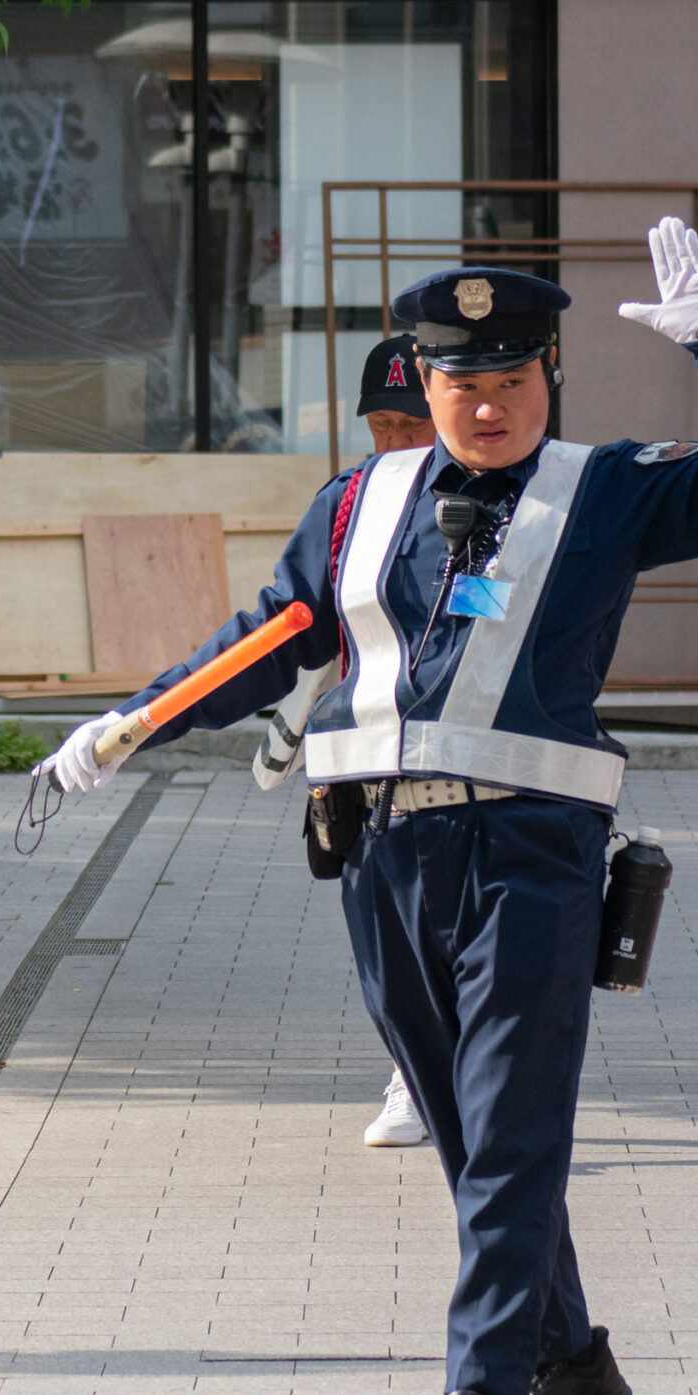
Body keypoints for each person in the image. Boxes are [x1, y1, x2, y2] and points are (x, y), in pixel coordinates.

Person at [39, 220, 698, 1395]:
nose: (485, 405)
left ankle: (477, 1392)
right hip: (383, 853)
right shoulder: (357, 502)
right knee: (455, 1121)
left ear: (549, 378)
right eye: (459, 382)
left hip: (534, 852)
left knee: (510, 1122)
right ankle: (569, 1360)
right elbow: (270, 636)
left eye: (509, 380)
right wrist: (133, 722)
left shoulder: (602, 492)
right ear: (419, 382)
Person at [255, 334, 437, 1150]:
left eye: (414, 424)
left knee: (466, 944)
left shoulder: (504, 504)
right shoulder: (345, 504)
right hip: (364, 761)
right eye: (384, 423)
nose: (397, 441)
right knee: (388, 947)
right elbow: (290, 627)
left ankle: (457, 1089)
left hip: (472, 763)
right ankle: (416, 1075)